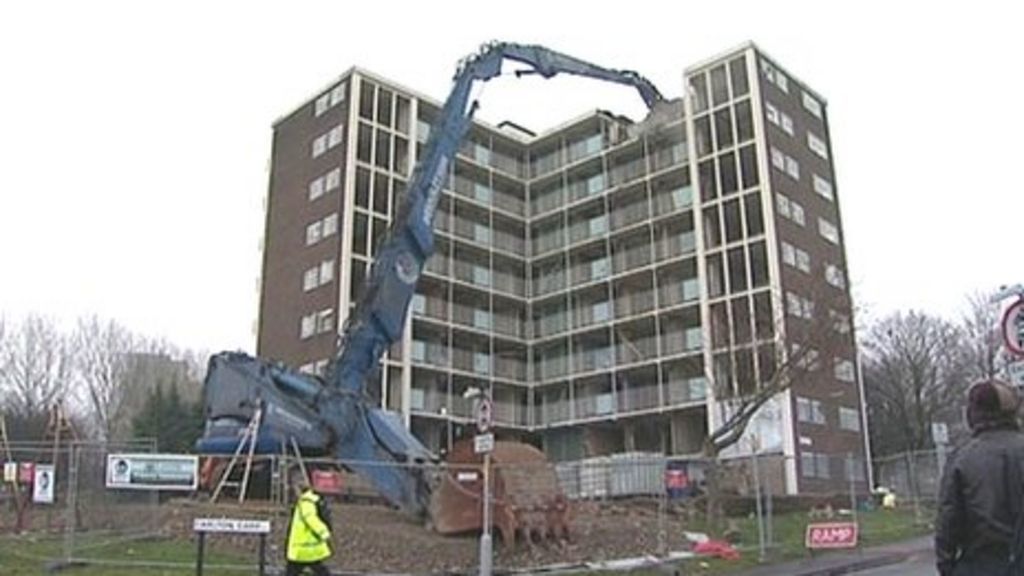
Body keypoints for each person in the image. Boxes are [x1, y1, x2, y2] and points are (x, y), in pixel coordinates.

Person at [936, 378, 1024, 575]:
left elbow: (948, 520)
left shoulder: (962, 458)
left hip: (981, 563)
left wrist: (946, 564)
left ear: (973, 414)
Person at [285, 470, 333, 576]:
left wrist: (324, 533)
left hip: (302, 548)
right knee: (319, 569)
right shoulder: (311, 500)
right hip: (310, 547)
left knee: (293, 570)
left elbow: (311, 519)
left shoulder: (305, 502)